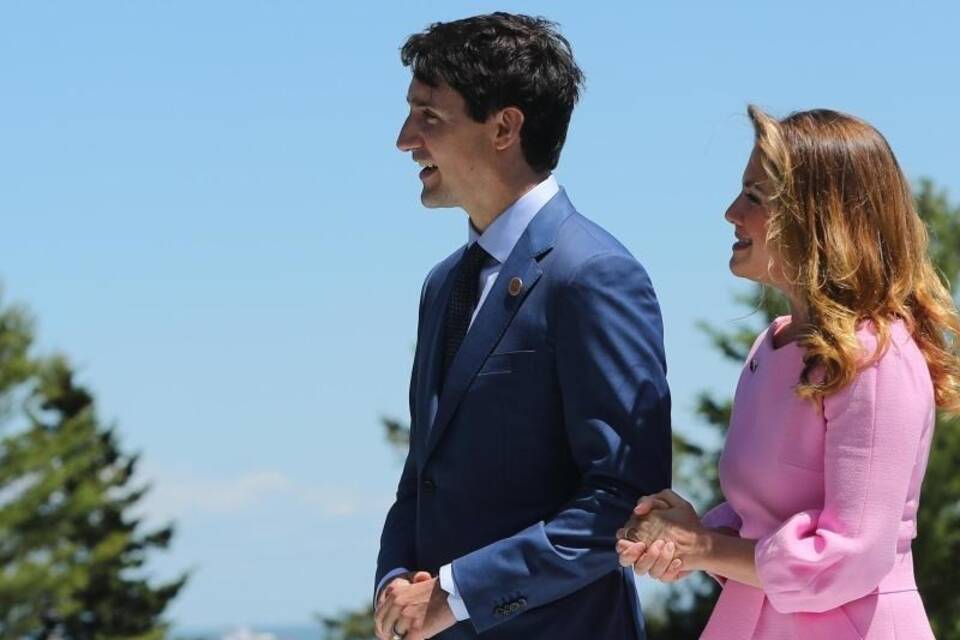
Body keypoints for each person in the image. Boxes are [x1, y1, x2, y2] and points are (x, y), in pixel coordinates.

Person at [373, 12, 672, 640]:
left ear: (505, 126)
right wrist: (395, 579)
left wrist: (457, 595)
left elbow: (623, 498)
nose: (405, 138)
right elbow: (422, 474)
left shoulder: (596, 275)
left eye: (429, 115)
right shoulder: (442, 284)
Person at [616, 105, 960, 639]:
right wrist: (689, 534)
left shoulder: (877, 357)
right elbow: (765, 519)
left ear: (817, 216)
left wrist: (703, 547)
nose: (732, 212)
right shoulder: (772, 345)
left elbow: (852, 557)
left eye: (755, 196)